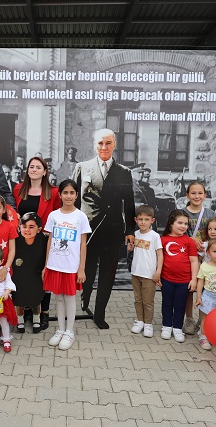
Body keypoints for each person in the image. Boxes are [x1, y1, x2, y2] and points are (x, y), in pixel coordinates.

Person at [72, 128, 136, 329]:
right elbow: (73, 198)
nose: (104, 147)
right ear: (94, 144)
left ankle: (100, 313)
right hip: (88, 231)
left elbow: (129, 203)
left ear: (114, 144)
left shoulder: (124, 172)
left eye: (108, 143)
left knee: (108, 274)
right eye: (100, 143)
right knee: (88, 270)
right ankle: (85, 298)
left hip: (113, 231)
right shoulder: (83, 167)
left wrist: (129, 230)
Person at [13, 157, 61, 331]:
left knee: (42, 276)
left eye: (38, 167)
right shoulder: (19, 189)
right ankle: (26, 308)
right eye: (31, 167)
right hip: (23, 240)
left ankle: (44, 313)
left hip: (43, 240)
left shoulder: (53, 192)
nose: (34, 169)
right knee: (25, 274)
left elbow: (58, 216)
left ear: (45, 171)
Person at [44, 179, 91, 350]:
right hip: (55, 264)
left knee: (70, 297)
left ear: (77, 195)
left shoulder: (80, 216)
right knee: (59, 297)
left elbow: (83, 244)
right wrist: (46, 264)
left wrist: (81, 268)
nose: (69, 196)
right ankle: (61, 329)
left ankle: (70, 331)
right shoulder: (53, 215)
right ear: (60, 195)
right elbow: (50, 240)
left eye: (72, 193)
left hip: (72, 266)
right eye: (65, 192)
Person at [182, 181, 216, 335]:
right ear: (187, 195)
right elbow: (175, 233)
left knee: (206, 290)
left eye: (200, 193)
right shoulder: (181, 213)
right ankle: (189, 318)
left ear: (205, 195)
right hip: (187, 258)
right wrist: (191, 240)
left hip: (207, 260)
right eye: (193, 193)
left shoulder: (211, 214)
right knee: (190, 289)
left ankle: (203, 320)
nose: (197, 196)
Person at [160, 210, 199, 343]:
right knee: (167, 303)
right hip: (167, 279)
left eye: (186, 224)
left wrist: (194, 279)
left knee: (180, 304)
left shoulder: (189, 241)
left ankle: (177, 328)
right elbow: (159, 260)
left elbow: (194, 261)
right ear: (171, 223)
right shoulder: (163, 240)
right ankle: (166, 326)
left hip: (184, 281)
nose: (183, 226)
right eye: (180, 223)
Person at [127, 205, 163, 338]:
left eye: (146, 219)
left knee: (148, 301)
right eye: (140, 219)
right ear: (136, 220)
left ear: (152, 221)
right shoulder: (135, 235)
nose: (143, 222)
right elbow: (133, 251)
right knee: (138, 299)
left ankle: (148, 324)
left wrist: (158, 271)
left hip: (149, 274)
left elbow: (160, 255)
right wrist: (130, 248)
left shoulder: (154, 236)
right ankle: (140, 321)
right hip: (136, 272)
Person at [12, 212, 47, 333]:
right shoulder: (15, 240)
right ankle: (20, 320)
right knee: (19, 295)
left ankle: (36, 319)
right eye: (24, 226)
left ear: (39, 229)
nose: (27, 230)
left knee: (36, 296)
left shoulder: (44, 240)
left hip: (37, 273)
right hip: (20, 273)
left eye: (31, 227)